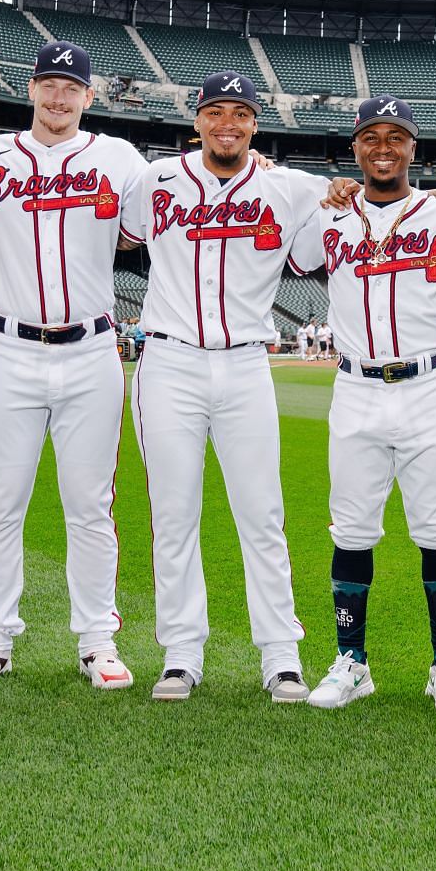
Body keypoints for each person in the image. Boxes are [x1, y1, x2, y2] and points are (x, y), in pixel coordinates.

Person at [120, 71, 332, 702]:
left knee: (261, 512)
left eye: (240, 114)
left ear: (255, 125)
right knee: (174, 512)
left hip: (244, 363)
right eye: (216, 112)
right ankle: (181, 652)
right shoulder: (152, 180)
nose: (228, 124)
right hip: (169, 360)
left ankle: (281, 653)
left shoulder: (290, 187)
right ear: (197, 121)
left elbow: (371, 196)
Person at [288, 95, 436, 713]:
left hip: (427, 385)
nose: (383, 148)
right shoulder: (330, 220)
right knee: (352, 529)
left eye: (396, 138)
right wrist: (321, 196)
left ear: (413, 148)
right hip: (355, 387)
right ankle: (351, 661)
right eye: (370, 137)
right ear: (354, 148)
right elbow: (297, 256)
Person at [0, 41, 147, 694]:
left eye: (72, 88)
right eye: (50, 84)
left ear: (89, 97)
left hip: (91, 347)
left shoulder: (118, 157)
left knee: (90, 505)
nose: (60, 97)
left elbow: (159, 212)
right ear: (30, 88)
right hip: (9, 346)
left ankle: (97, 640)